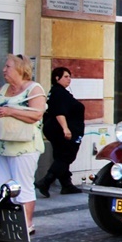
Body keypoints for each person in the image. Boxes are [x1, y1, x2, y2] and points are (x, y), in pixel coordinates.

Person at [0, 54, 46, 234]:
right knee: (1, 187)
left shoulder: (34, 89)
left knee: (23, 187)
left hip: (24, 147)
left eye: (8, 66)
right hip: (2, 146)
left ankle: (26, 225)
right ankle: (5, 224)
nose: (4, 70)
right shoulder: (3, 89)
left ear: (20, 68)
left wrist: (10, 111)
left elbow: (37, 114)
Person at [35, 67, 85, 197]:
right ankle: (46, 181)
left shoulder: (58, 92)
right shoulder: (59, 93)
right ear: (57, 78)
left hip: (56, 129)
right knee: (66, 156)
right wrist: (65, 129)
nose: (69, 79)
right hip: (64, 130)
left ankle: (66, 185)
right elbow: (59, 112)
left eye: (69, 76)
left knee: (60, 155)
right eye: (66, 77)